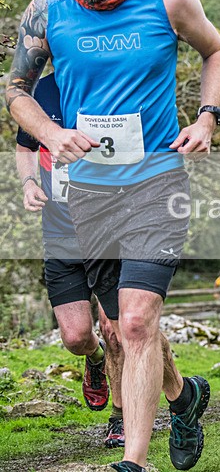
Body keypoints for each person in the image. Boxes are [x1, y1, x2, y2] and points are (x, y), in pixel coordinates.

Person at [6, 0, 220, 469]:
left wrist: (207, 118)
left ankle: (134, 460)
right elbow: (15, 89)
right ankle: (184, 397)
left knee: (134, 322)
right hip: (89, 194)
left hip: (156, 183)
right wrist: (51, 133)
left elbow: (216, 52)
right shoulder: (46, 11)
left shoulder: (168, 0)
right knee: (120, 326)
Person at [15, 72, 125, 448]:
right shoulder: (40, 91)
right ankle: (94, 360)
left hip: (110, 233)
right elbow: (26, 147)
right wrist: (29, 182)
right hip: (60, 234)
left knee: (115, 330)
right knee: (76, 337)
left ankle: (120, 418)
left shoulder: (113, 81)